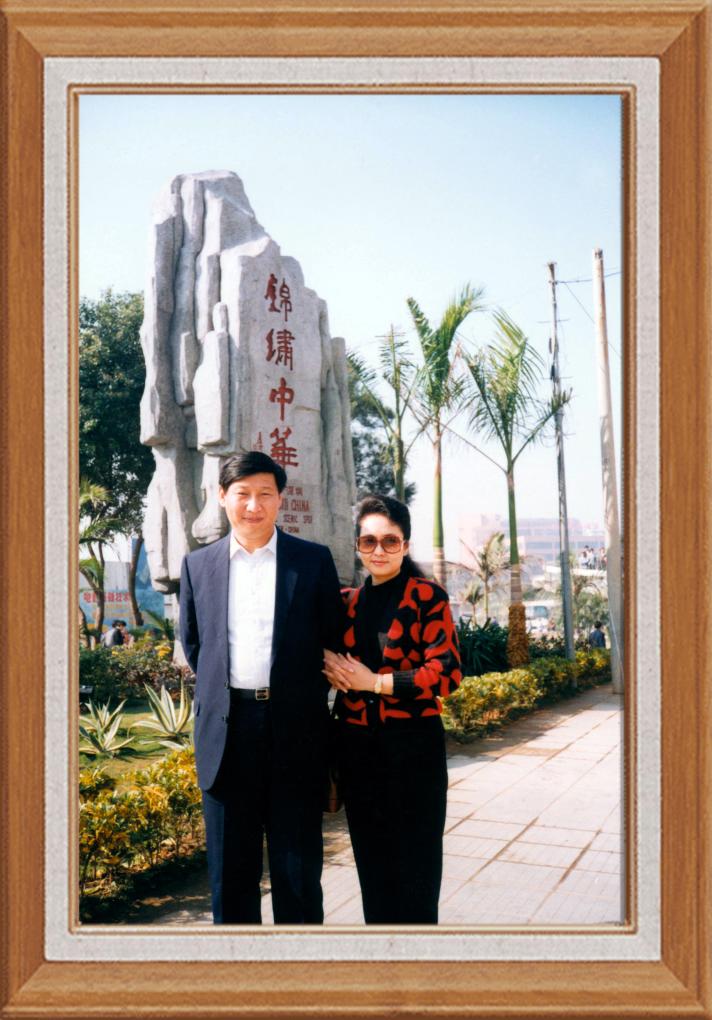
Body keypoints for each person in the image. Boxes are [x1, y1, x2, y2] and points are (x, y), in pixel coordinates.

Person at [179, 451, 345, 925]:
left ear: (280, 499)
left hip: (295, 732)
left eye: (265, 494)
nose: (253, 505)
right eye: (243, 494)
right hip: (226, 733)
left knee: (298, 873)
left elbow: (332, 637)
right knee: (231, 875)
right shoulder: (198, 566)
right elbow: (196, 645)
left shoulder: (311, 561)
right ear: (222, 497)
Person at [323, 494, 462, 925]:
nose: (378, 551)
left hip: (413, 749)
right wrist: (328, 664)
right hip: (358, 752)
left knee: (417, 868)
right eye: (369, 541)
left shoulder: (426, 597)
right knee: (373, 867)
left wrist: (376, 683)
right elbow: (313, 646)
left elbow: (447, 672)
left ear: (405, 544)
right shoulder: (346, 602)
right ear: (357, 546)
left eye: (390, 541)